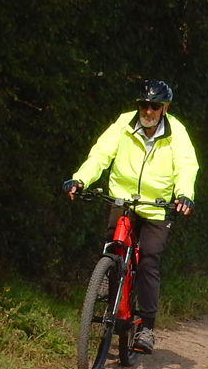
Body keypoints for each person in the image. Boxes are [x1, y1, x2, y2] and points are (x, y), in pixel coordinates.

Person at [64, 79, 198, 354]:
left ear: (165, 108)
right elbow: (101, 153)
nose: (148, 111)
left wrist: (184, 194)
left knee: (149, 258)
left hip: (156, 206)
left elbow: (186, 164)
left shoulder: (177, 132)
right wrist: (81, 179)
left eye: (154, 106)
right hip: (122, 198)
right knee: (112, 245)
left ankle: (146, 327)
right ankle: (107, 279)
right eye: (143, 105)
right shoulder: (124, 124)